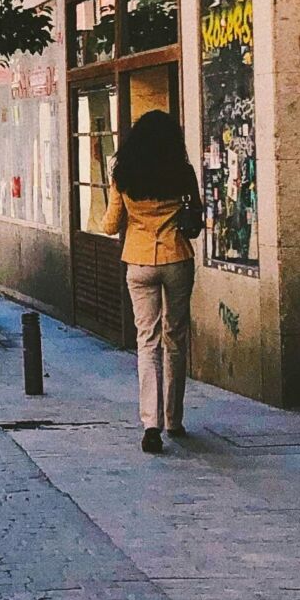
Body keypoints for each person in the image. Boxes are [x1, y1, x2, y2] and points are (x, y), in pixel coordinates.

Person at [85, 109, 203, 452]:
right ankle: (174, 418)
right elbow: (195, 213)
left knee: (146, 340)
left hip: (138, 261)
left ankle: (150, 424)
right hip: (177, 257)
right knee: (175, 338)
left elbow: (110, 224)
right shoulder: (183, 173)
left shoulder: (124, 174)